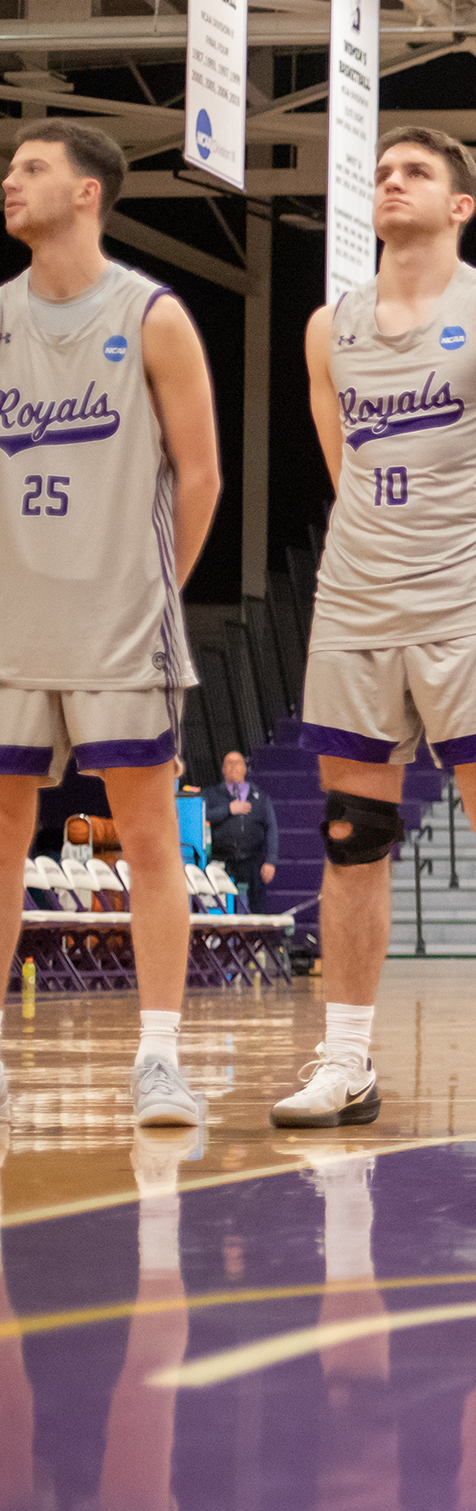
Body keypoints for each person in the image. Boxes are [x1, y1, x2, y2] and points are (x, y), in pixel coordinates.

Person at [268, 126, 476, 1132]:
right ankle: (349, 1062)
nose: (392, 182)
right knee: (351, 836)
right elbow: (346, 466)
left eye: (417, 172)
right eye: (382, 172)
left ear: (460, 204)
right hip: (357, 601)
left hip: (467, 600)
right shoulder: (329, 328)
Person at [0, 122, 220, 1126]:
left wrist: (156, 592)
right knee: (2, 834)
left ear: (87, 193)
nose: (11, 179)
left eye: (33, 167)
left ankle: (161, 1057)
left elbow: (202, 472)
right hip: (15, 617)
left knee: (146, 836)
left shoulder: (152, 314)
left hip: (119, 617)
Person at [205, 749, 277, 914]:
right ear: (223, 769)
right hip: (221, 861)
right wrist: (229, 809)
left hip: (252, 862)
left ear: (245, 769)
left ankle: (256, 939)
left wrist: (271, 861)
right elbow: (202, 817)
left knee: (257, 909)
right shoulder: (211, 795)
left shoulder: (260, 796)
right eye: (228, 763)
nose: (232, 767)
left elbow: (271, 828)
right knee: (222, 908)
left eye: (237, 763)